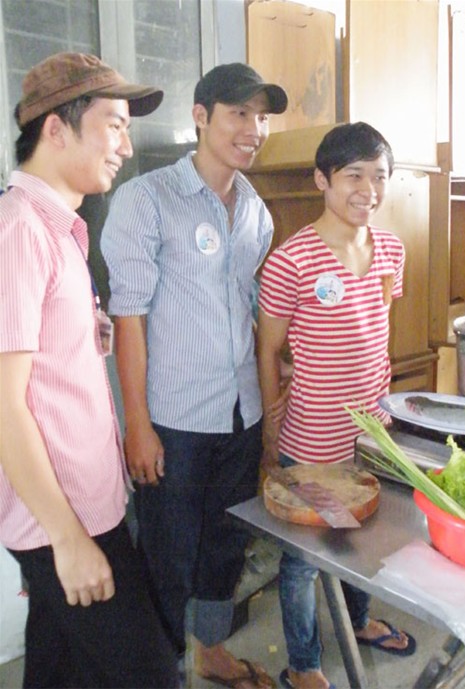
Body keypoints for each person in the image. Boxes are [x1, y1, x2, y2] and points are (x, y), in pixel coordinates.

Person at [100, 63, 288, 689]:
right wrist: (137, 424)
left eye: (261, 116)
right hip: (174, 419)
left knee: (225, 547)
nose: (253, 129)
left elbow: (246, 309)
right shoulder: (147, 199)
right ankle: (164, 669)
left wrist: (272, 393)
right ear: (201, 116)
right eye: (239, 113)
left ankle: (206, 650)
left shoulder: (256, 211)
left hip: (239, 413)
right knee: (167, 556)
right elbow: (129, 318)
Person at [0, 52, 179, 688]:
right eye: (114, 125)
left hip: (84, 507)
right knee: (152, 675)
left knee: (60, 668)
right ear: (56, 129)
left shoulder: (59, 230)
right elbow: (5, 405)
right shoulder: (21, 232)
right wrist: (67, 539)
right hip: (64, 519)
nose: (125, 147)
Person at [257, 122, 417, 689]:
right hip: (313, 438)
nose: (368, 190)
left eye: (379, 176)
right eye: (354, 175)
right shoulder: (291, 261)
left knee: (361, 537)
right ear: (322, 180)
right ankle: (303, 664)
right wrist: (271, 435)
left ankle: (358, 621)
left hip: (374, 431)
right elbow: (269, 349)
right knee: (304, 559)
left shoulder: (391, 249)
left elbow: (379, 323)